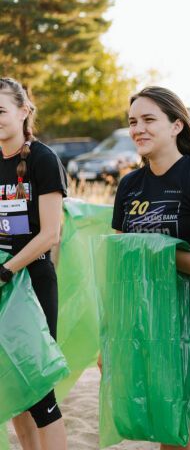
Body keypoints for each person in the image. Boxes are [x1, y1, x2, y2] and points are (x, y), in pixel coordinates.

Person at [112, 86, 190, 450]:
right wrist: (114, 335)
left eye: (149, 120)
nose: (139, 129)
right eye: (133, 122)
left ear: (176, 125)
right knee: (169, 428)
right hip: (153, 321)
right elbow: (121, 265)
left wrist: (165, 256)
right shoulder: (129, 186)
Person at [0, 78, 68, 450]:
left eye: (0, 111)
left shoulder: (43, 159)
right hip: (2, 280)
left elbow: (50, 233)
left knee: (39, 391)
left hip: (31, 279)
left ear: (24, 111)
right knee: (11, 385)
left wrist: (6, 271)